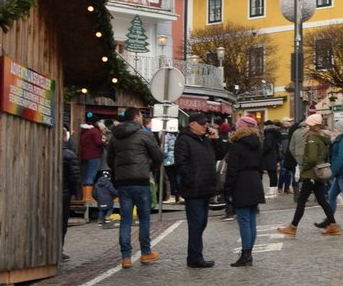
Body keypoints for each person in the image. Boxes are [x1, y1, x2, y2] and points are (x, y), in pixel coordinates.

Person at [105, 107, 163, 267]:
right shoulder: (144, 134)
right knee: (144, 218)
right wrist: (150, 166)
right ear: (137, 117)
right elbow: (157, 156)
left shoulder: (115, 136)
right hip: (141, 180)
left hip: (123, 182)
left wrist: (119, 170)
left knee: (126, 219)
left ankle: (126, 257)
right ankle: (145, 252)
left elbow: (110, 160)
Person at [173, 112, 223, 267]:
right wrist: (191, 180)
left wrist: (216, 139)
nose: (204, 127)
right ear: (192, 124)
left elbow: (220, 155)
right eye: (202, 124)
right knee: (196, 223)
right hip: (194, 188)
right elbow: (181, 163)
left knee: (202, 223)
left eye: (205, 124)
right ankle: (194, 258)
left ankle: (195, 256)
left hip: (205, 187)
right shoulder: (184, 140)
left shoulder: (205, 140)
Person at [276, 113, 339, 237]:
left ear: (315, 126)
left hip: (311, 173)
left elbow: (312, 158)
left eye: (309, 125)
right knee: (322, 200)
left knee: (301, 200)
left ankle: (293, 227)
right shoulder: (321, 136)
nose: (307, 127)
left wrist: (303, 166)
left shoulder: (312, 138)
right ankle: (333, 225)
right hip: (318, 172)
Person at [223, 115, 266, 266]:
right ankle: (249, 253)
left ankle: (246, 254)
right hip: (254, 181)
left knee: (243, 220)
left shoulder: (237, 144)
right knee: (251, 220)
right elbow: (261, 166)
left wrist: (227, 189)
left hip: (241, 183)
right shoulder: (257, 143)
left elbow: (232, 169)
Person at [61, 128, 81, 261]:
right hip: (64, 192)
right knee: (62, 223)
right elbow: (74, 176)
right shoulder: (69, 154)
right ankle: (59, 249)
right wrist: (76, 192)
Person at [78, 112, 105, 186]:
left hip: (85, 156)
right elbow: (98, 143)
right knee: (91, 176)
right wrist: (104, 141)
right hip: (94, 156)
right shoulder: (95, 131)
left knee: (86, 176)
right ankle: (89, 193)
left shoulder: (84, 131)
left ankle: (85, 192)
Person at [276, 116, 297, 193]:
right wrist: (280, 154)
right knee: (283, 172)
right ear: (284, 122)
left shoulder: (291, 130)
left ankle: (287, 188)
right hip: (283, 154)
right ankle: (280, 187)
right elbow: (280, 144)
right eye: (289, 121)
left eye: (291, 121)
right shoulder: (280, 131)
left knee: (289, 173)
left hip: (289, 153)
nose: (291, 122)